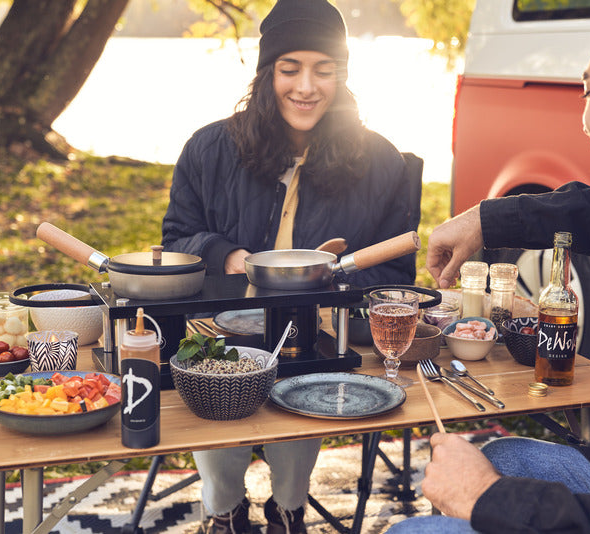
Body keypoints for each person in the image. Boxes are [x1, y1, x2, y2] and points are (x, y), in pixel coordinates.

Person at [386, 0, 590, 532]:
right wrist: (486, 220)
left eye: (589, 89)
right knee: (503, 458)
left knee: (413, 529)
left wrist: (488, 499)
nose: (585, 116)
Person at [160, 0, 418, 531]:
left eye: (324, 70)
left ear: (341, 76)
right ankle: (224, 510)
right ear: (265, 73)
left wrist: (334, 277)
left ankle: (289, 508)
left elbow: (396, 278)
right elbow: (176, 242)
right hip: (222, 330)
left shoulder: (380, 161)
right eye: (289, 69)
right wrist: (228, 256)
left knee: (309, 366)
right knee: (214, 377)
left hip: (318, 331)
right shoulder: (209, 149)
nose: (306, 87)